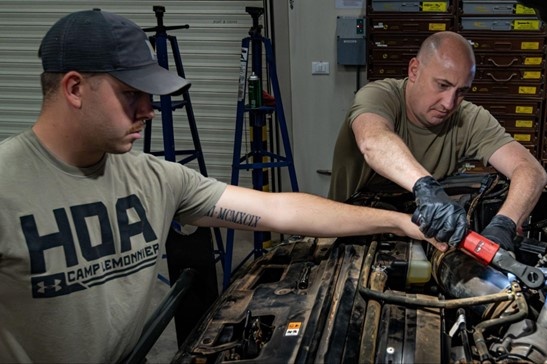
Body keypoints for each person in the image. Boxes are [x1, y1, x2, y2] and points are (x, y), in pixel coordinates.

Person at [0, 9, 444, 363]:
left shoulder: (155, 178)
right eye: (131, 93)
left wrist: (400, 222)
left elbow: (279, 211)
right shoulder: (7, 185)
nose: (149, 109)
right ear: (75, 88)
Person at [329, 31, 547, 250]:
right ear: (414, 70)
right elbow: (374, 141)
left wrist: (505, 223)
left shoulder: (468, 118)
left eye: (461, 91)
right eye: (442, 85)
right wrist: (426, 187)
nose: (449, 103)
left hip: (423, 237)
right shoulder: (379, 96)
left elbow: (531, 170)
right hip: (349, 233)